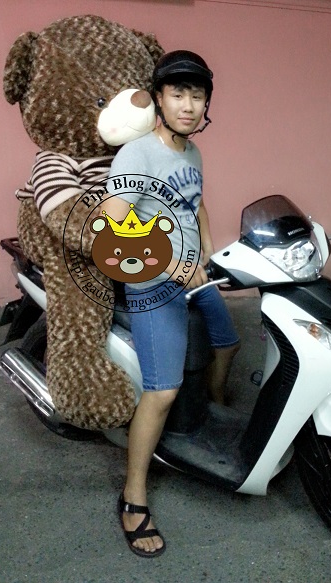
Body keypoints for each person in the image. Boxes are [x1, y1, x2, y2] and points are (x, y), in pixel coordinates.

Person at [102, 51, 240, 557]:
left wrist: (206, 247)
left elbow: (195, 202)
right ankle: (133, 497)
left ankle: (211, 413)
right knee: (162, 390)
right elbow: (112, 230)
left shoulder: (193, 153)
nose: (188, 105)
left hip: (192, 276)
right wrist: (176, 266)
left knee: (228, 341)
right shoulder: (137, 155)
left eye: (197, 96)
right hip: (152, 284)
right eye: (178, 94)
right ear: (159, 100)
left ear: (206, 104)